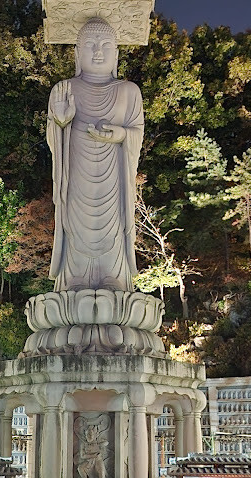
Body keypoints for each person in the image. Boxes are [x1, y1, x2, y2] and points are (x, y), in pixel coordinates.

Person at [47, 17, 144, 292]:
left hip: (114, 176)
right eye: (90, 45)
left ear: (116, 54)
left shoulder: (129, 91)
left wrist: (121, 135)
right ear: (77, 54)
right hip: (76, 172)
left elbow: (137, 131)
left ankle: (113, 277)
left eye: (106, 46)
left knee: (113, 224)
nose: (98, 52)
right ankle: (74, 278)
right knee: (75, 222)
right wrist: (61, 122)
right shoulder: (64, 89)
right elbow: (53, 138)